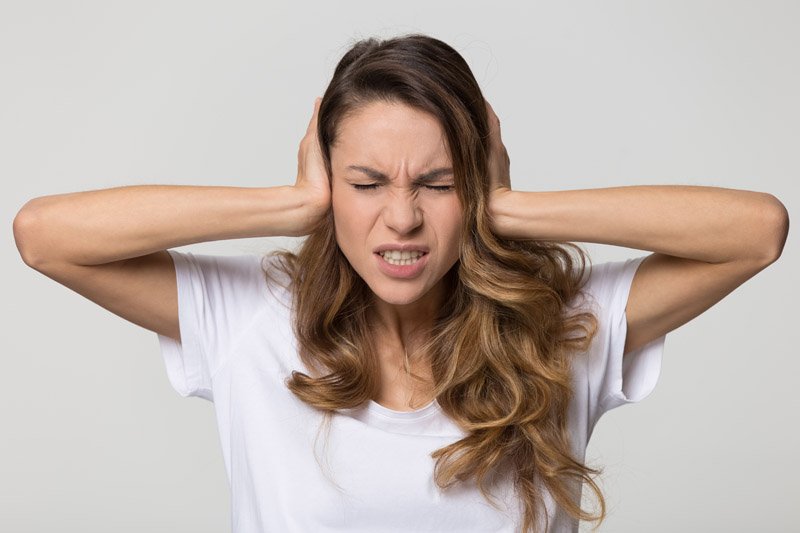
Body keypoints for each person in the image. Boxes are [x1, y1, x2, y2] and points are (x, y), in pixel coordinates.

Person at [12, 33, 788, 533]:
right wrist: (292, 203)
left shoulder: (552, 328)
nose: (403, 218)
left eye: (439, 183)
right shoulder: (251, 319)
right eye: (368, 182)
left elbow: (756, 232)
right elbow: (44, 237)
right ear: (330, 184)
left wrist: (508, 206)